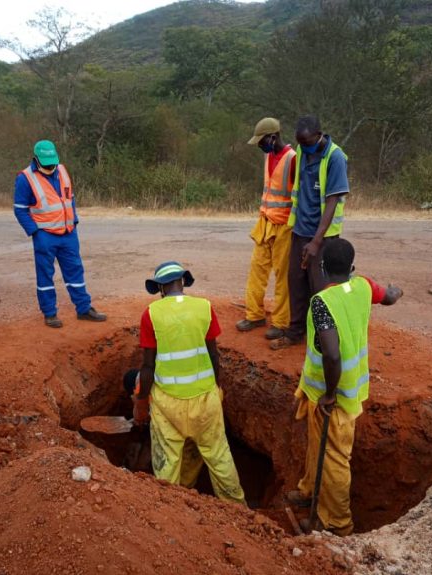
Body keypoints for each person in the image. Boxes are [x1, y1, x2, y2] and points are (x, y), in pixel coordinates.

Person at [286, 238, 403, 535]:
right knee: (317, 444)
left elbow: (332, 354)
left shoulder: (322, 303)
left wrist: (329, 394)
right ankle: (310, 491)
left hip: (334, 395)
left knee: (336, 459)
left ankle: (338, 523)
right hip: (334, 390)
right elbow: (387, 296)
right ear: (352, 268)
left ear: (322, 267)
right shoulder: (363, 286)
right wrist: (396, 291)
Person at [134, 261, 245, 504]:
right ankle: (239, 511)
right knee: (219, 457)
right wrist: (216, 389)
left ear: (160, 288)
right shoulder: (204, 308)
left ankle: (172, 511)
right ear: (183, 282)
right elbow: (214, 355)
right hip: (205, 399)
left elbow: (148, 366)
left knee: (167, 464)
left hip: (167, 404)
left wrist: (141, 402)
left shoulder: (151, 314)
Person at [271, 115, 349, 350]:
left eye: (307, 142)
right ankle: (295, 332)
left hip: (322, 237)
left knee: (320, 289)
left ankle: (323, 339)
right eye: (300, 143)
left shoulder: (335, 158)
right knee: (295, 282)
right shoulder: (303, 149)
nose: (303, 147)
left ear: (319, 134)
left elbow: (333, 200)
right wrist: (296, 230)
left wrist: (316, 242)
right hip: (300, 230)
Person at [13, 140, 106, 327]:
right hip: (45, 235)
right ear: (36, 159)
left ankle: (84, 308)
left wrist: (75, 220)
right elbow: (20, 209)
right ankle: (49, 313)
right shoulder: (25, 178)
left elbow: (70, 198)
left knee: (75, 271)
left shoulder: (62, 170)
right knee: (45, 275)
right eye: (46, 162)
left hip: (69, 233)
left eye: (52, 161)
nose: (50, 165)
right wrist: (34, 232)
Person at [236, 117, 297, 341]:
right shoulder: (268, 156)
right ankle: (254, 315)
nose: (261, 146)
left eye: (262, 141)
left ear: (273, 137)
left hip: (284, 227)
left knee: (282, 276)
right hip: (265, 222)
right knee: (257, 269)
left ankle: (281, 323)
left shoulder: (293, 159)